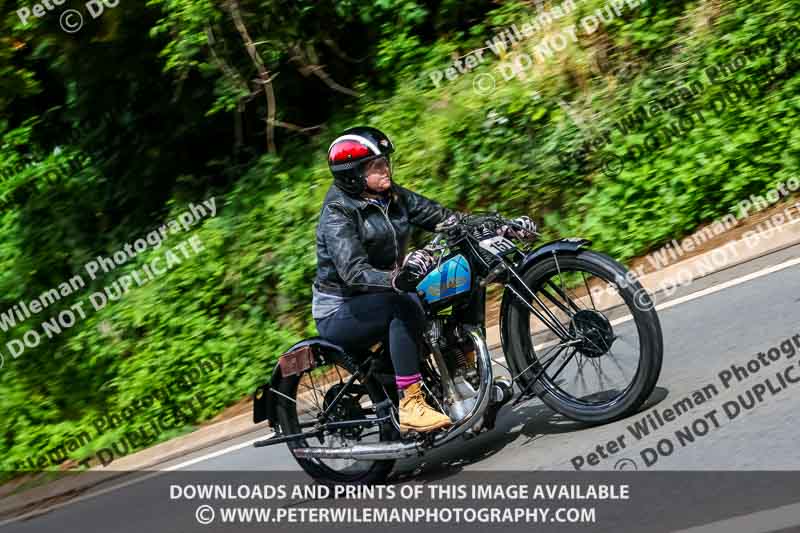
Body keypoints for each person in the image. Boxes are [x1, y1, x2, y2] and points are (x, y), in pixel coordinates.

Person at [312, 126, 535, 434]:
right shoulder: (338, 213)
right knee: (402, 304)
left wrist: (496, 228)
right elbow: (353, 271)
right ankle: (410, 404)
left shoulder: (391, 196)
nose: (386, 169)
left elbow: (444, 218)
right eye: (376, 166)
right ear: (352, 175)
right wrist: (397, 276)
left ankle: (464, 372)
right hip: (342, 307)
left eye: (386, 161)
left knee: (465, 274)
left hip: (386, 288)